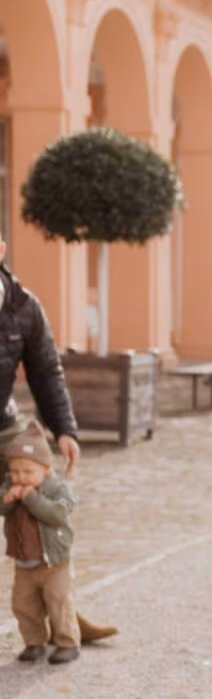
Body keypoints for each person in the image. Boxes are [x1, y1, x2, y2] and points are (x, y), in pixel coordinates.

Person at [0, 239, 115, 647]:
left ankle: (64, 613)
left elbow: (46, 371)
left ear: (0, 250)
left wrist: (65, 429)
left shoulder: (23, 306)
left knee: (43, 512)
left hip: (4, 425)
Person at [2, 420, 79, 665]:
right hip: (25, 562)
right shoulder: (10, 486)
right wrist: (9, 500)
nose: (20, 477)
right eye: (15, 471)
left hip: (54, 562)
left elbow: (56, 515)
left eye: (27, 472)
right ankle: (34, 642)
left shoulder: (57, 489)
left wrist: (32, 498)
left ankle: (67, 642)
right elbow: (2, 508)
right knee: (24, 604)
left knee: (58, 602)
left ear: (45, 469)